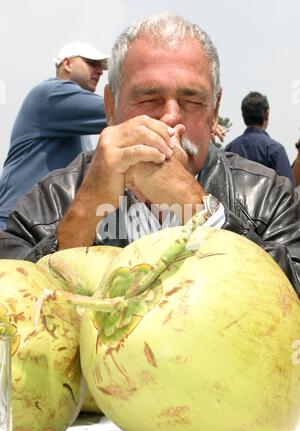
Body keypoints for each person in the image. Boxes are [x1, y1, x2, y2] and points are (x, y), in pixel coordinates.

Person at [0, 13, 299, 297]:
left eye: (192, 100)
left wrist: (200, 209)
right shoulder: (55, 197)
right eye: (148, 98)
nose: (170, 117)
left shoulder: (266, 197)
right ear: (110, 107)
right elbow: (16, 310)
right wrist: (85, 211)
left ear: (215, 110)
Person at [0, 41, 109, 230]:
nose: (99, 71)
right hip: (14, 224)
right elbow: (117, 111)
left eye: (101, 67)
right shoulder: (51, 94)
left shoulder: (78, 127)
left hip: (41, 226)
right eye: (92, 63)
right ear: (67, 64)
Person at [225, 92, 295, 185]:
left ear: (243, 116)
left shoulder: (229, 149)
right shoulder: (275, 150)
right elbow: (288, 190)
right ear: (266, 114)